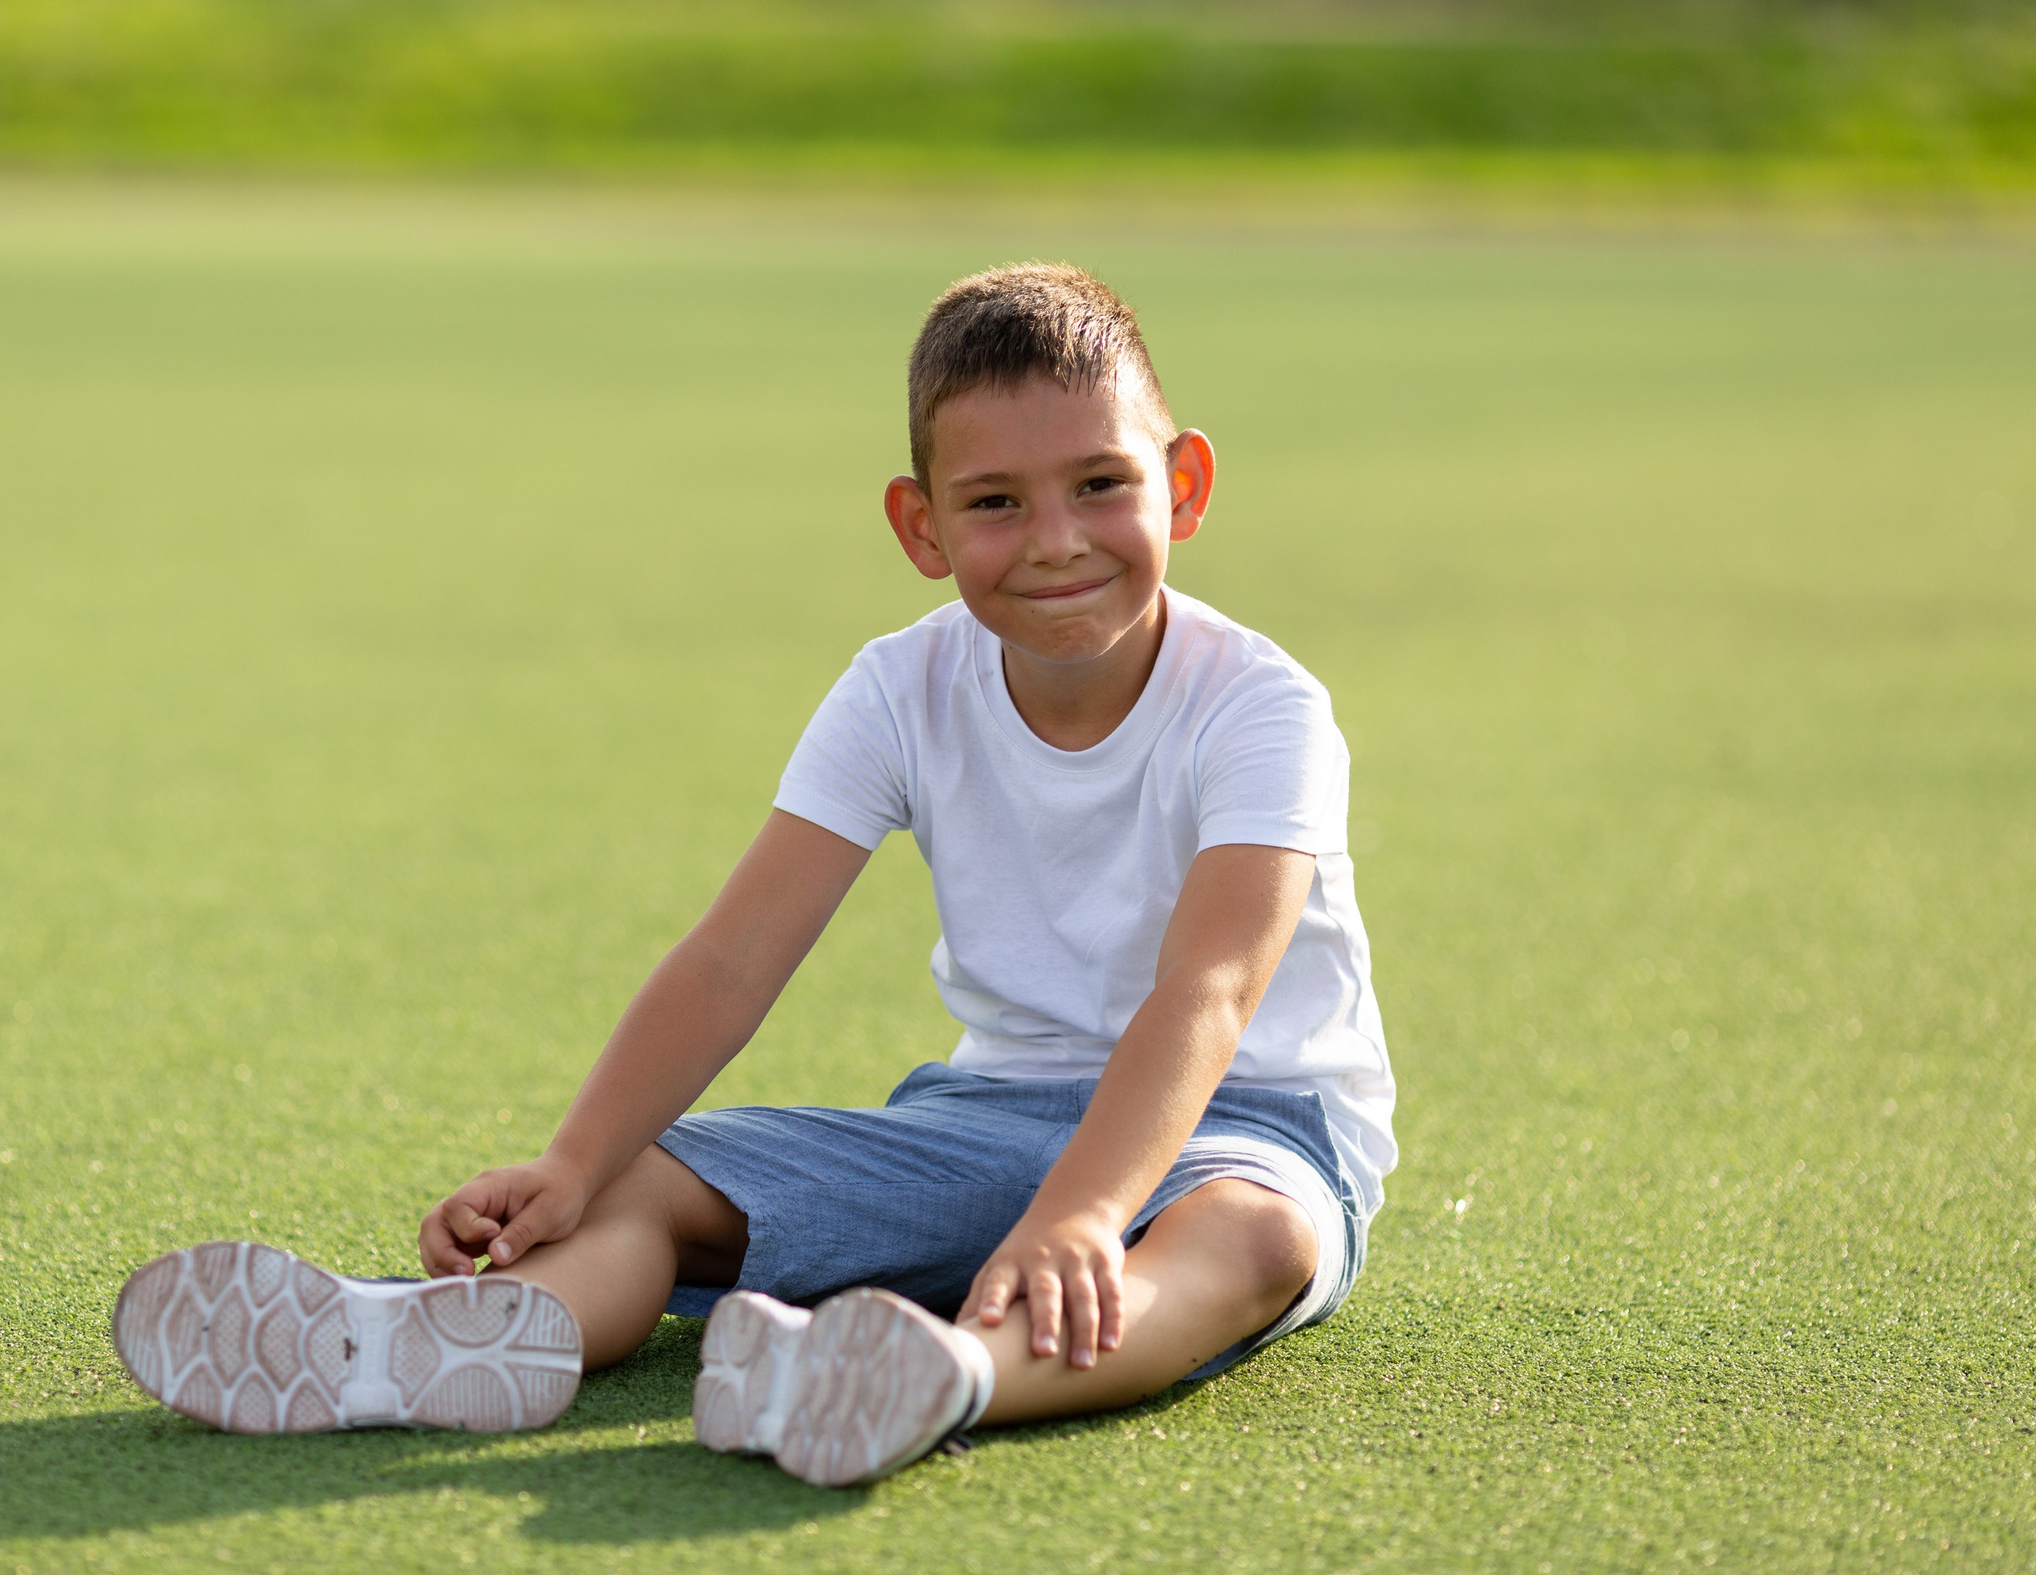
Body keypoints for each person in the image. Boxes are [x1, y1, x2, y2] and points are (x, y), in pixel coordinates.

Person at [111, 263, 1397, 1488]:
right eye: (996, 502)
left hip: (1245, 1127)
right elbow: (733, 958)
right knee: (641, 1186)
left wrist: (1083, 1212)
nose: (1056, 541)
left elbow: (1212, 989)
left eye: (1101, 484)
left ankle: (945, 1376)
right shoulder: (899, 687)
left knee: (1252, 1244)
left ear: (1185, 484)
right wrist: (572, 1160)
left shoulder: (1260, 710)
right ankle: (419, 1346)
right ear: (922, 527)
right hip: (983, 1118)